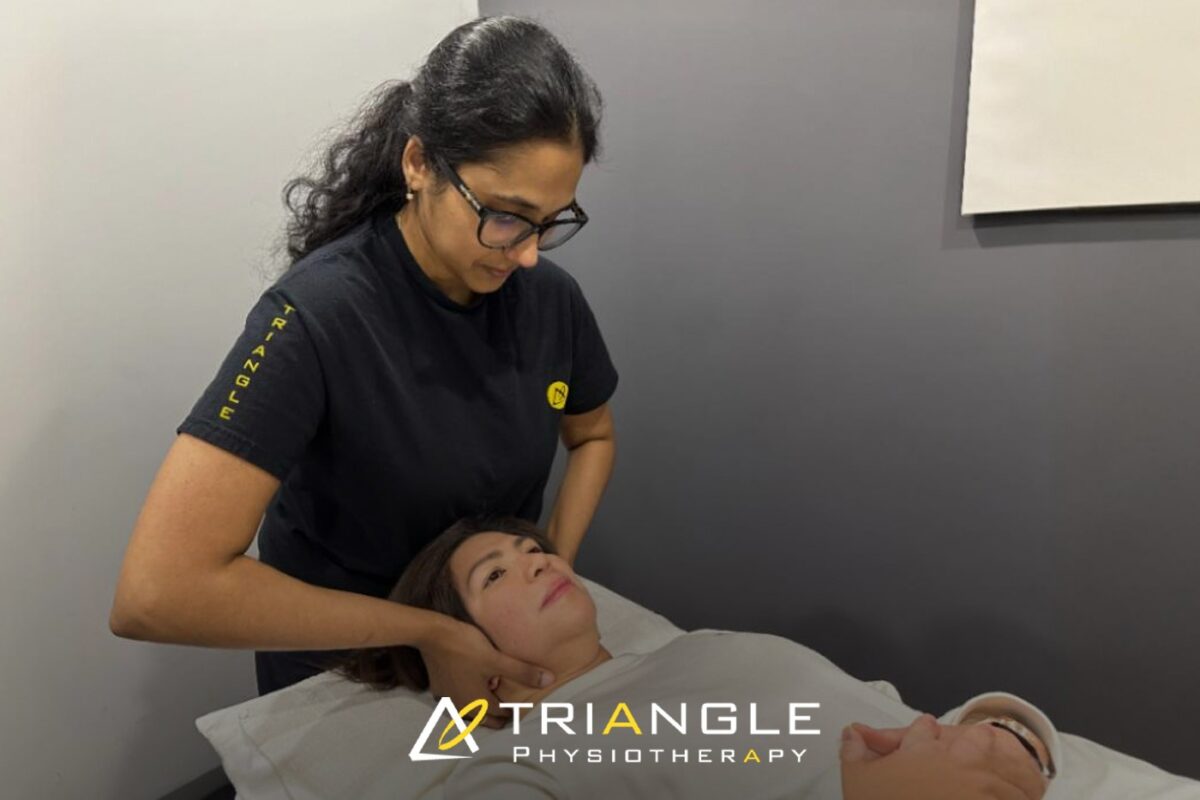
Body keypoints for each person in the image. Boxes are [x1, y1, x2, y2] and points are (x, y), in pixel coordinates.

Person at [108, 15, 618, 726]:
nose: (528, 252)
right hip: (347, 675)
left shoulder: (549, 300)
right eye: (506, 215)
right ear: (419, 164)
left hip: (488, 657)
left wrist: (550, 561)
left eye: (551, 221)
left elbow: (592, 435)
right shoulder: (317, 317)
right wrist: (432, 633)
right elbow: (155, 593)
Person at [331, 516, 1058, 800]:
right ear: (461, 657)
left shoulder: (701, 648)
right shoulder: (525, 762)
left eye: (533, 549)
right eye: (495, 575)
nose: (539, 560)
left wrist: (1003, 731)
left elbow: (884, 714)